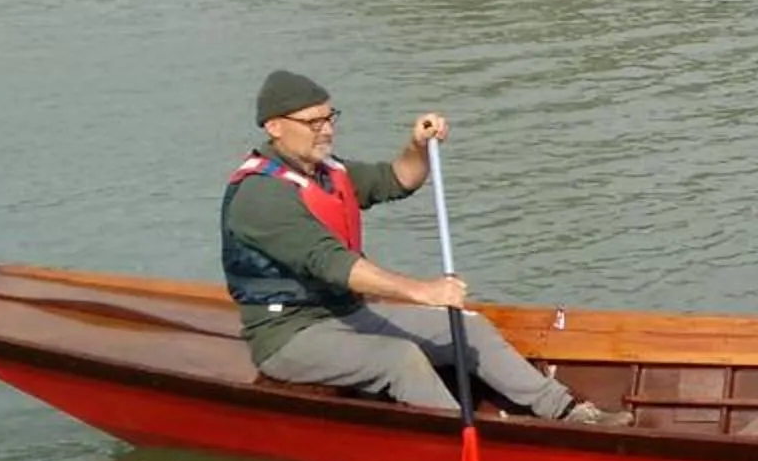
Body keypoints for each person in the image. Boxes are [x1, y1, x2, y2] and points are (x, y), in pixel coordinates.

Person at [220, 69, 631, 424]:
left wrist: (417, 146)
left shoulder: (327, 171)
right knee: (399, 358)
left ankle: (568, 412)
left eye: (329, 118)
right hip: (289, 335)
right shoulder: (261, 196)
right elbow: (332, 263)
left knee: (467, 328)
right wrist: (422, 291)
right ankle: (462, 436)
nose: (326, 129)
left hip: (347, 314)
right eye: (313, 122)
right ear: (275, 127)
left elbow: (397, 179)